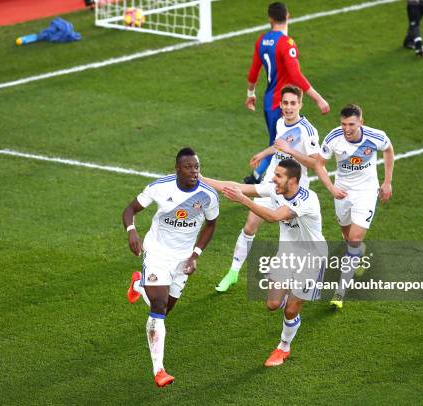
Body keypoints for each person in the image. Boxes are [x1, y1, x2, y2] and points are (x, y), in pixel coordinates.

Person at [203, 159, 327, 367]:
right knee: (273, 305)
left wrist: (244, 200)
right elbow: (237, 187)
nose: (273, 179)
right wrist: (200, 178)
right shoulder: (276, 190)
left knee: (290, 310)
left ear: (293, 181)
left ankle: (283, 347)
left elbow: (273, 217)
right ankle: (294, 296)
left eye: (279, 176)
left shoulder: (306, 199)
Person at [122, 147, 219, 387]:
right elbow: (129, 210)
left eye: (196, 167)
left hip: (183, 259)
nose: (194, 171)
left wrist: (195, 254)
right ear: (177, 169)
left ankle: (138, 283)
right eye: (188, 167)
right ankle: (159, 370)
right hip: (156, 252)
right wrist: (132, 232)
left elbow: (211, 224)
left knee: (165, 311)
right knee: (159, 304)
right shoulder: (160, 187)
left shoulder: (208, 195)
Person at [215, 85, 320, 292]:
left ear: (300, 104)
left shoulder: (308, 131)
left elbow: (315, 163)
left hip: (293, 192)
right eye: (285, 103)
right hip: (272, 183)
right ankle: (233, 272)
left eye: (293, 103)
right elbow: (279, 145)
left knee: (298, 239)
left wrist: (291, 151)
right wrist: (264, 153)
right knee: (250, 224)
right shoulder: (281, 121)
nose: (289, 107)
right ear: (280, 104)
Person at [314, 105, 394, 309]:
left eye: (351, 124)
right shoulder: (333, 137)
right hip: (342, 192)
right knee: (347, 236)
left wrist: (387, 182)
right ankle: (355, 253)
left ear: (361, 122)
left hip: (367, 192)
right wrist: (332, 189)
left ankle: (340, 292)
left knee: (355, 239)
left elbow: (388, 150)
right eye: (343, 124)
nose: (347, 129)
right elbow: (319, 164)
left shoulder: (376, 136)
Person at [244, 1, 329, 184]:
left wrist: (251, 94)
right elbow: (295, 75)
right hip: (282, 103)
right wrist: (318, 99)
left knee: (278, 141)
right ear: (288, 16)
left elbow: (253, 72)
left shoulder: (262, 40)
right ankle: (263, 178)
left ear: (270, 19)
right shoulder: (286, 43)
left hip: (269, 102)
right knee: (282, 143)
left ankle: (260, 176)